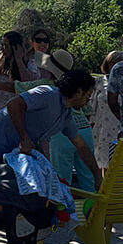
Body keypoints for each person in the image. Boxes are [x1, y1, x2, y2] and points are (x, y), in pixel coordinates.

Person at [0, 67, 101, 244]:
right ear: (78, 91)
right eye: (88, 95)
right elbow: (15, 104)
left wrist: (97, 175)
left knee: (19, 201)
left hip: (16, 154)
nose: (88, 100)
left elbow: (81, 146)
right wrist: (25, 137)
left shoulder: (66, 115)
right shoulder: (48, 94)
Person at [42, 51, 95, 190]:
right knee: (87, 176)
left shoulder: (45, 85)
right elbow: (88, 112)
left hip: (61, 134)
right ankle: (90, 208)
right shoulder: (76, 86)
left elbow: (16, 87)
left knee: (62, 177)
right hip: (85, 130)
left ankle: (63, 210)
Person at [0, 31, 39, 116]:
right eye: (2, 45)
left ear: (16, 48)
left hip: (16, 115)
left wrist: (19, 60)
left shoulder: (29, 64)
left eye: (6, 46)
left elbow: (26, 84)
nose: (2, 49)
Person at [89, 50, 123, 170]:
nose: (116, 66)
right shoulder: (99, 82)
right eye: (112, 63)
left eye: (120, 63)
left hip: (122, 128)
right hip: (102, 128)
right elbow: (91, 106)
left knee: (119, 164)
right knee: (101, 163)